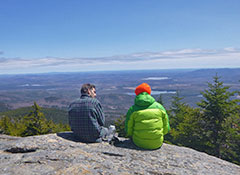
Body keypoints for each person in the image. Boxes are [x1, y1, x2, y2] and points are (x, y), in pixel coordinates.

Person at [125, 83, 170, 149]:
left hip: (138, 143)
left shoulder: (133, 109)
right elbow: (166, 128)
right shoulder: (159, 107)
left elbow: (128, 129)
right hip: (157, 143)